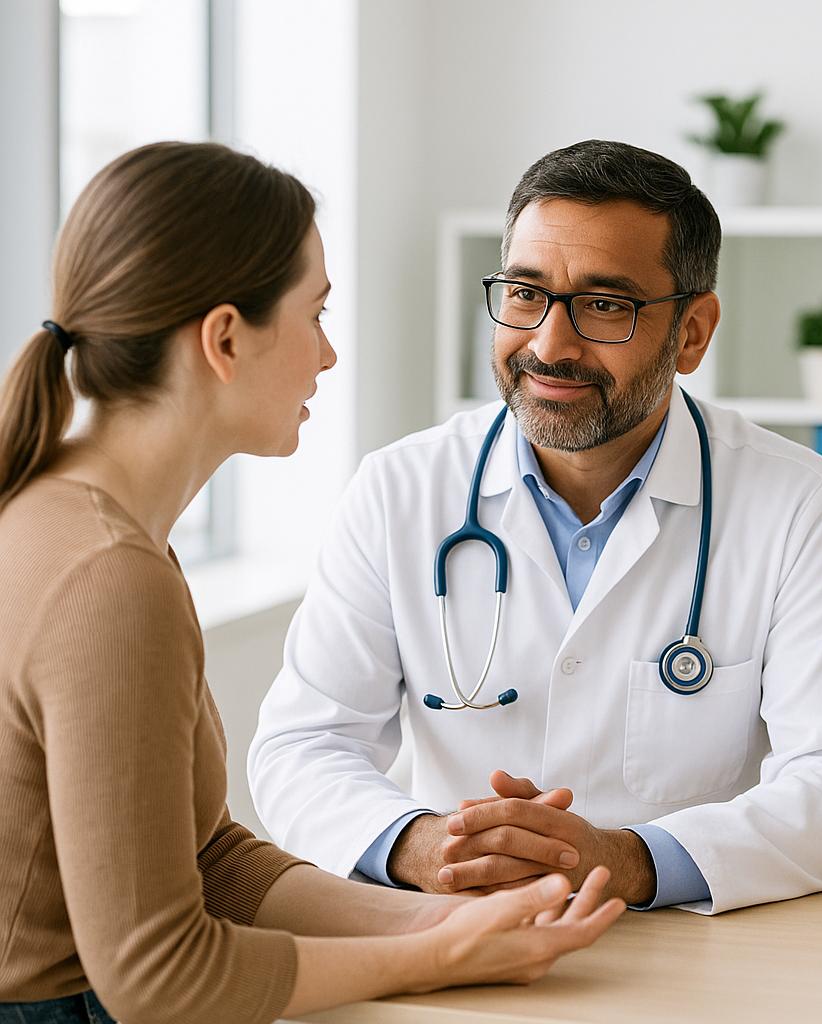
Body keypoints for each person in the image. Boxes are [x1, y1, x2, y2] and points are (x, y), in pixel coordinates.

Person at [0, 142, 624, 1024]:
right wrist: (432, 959)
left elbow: (208, 859)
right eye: (316, 314)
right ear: (225, 339)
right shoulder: (109, 580)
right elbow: (158, 977)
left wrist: (439, 919)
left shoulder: (80, 519)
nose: (328, 356)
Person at [249, 139, 822, 915]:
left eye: (605, 306)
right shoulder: (399, 489)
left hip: (701, 945)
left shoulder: (801, 504)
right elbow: (305, 746)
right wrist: (428, 848)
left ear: (693, 332)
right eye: (524, 293)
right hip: (459, 931)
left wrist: (627, 862)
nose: (549, 345)